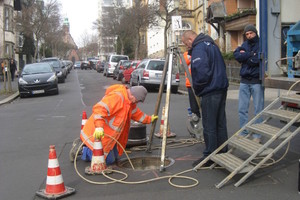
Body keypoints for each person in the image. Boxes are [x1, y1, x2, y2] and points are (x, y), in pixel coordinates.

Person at [181, 30, 229, 167]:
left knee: (209, 124)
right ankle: (222, 151)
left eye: (186, 44)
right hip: (220, 87)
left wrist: (199, 88)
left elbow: (201, 72)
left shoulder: (199, 48)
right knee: (220, 122)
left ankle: (210, 155)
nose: (186, 47)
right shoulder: (211, 44)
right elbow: (222, 66)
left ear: (190, 39)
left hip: (210, 90)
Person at [79, 84, 158, 165]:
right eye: (137, 100)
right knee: (107, 160)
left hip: (110, 136)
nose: (136, 102)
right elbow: (99, 109)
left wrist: (149, 119)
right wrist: (99, 127)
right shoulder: (117, 97)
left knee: (114, 157)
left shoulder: (129, 103)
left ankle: (87, 149)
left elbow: (137, 115)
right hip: (98, 133)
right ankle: (83, 150)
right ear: (133, 95)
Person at [233, 24, 264, 143]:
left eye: (251, 33)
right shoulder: (245, 45)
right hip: (244, 81)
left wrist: (246, 56)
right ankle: (243, 132)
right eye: (247, 34)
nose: (249, 35)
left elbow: (257, 60)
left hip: (256, 81)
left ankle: (257, 135)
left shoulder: (261, 44)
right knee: (242, 109)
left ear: (255, 33)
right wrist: (251, 55)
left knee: (258, 110)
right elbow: (237, 55)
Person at [183, 51, 202, 138]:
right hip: (190, 84)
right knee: (194, 108)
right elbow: (184, 62)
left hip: (200, 83)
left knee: (203, 106)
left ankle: (202, 129)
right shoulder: (186, 54)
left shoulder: (199, 50)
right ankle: (197, 129)